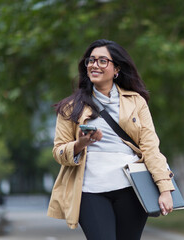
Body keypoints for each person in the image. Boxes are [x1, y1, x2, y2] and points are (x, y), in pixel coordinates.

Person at [47, 39, 175, 240]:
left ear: (116, 69)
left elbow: (151, 148)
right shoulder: (70, 108)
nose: (94, 65)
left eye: (102, 61)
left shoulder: (136, 102)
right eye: (91, 60)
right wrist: (81, 144)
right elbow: (58, 152)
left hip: (131, 188)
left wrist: (165, 189)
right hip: (90, 190)